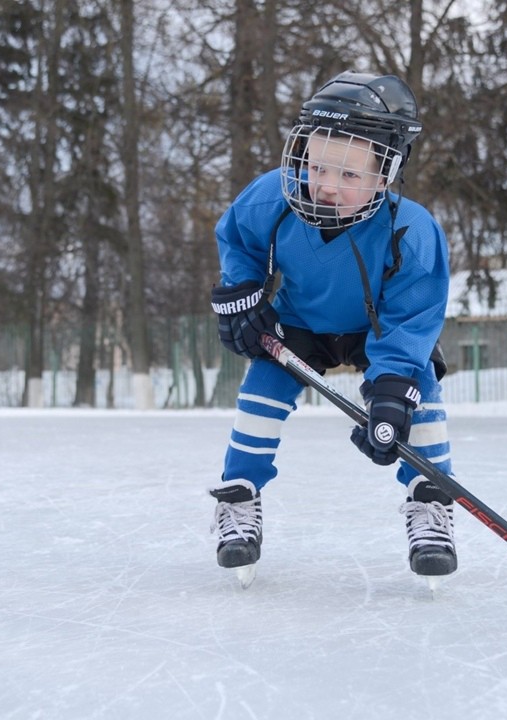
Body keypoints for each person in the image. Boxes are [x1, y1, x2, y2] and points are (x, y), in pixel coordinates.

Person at [208, 71, 457, 583]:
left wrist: (392, 390)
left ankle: (430, 500)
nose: (324, 185)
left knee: (418, 392)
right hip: (302, 324)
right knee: (263, 386)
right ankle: (238, 496)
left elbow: (411, 320)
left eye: (348, 176)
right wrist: (241, 293)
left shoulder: (411, 231)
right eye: (317, 166)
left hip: (379, 333)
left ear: (385, 173)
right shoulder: (272, 199)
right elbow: (240, 242)